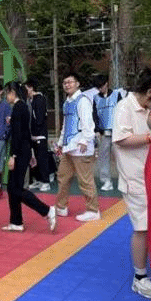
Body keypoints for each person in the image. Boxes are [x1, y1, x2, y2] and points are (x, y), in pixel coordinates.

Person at [111, 67, 151, 299]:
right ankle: (139, 278)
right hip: (135, 178)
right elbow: (121, 139)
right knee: (142, 228)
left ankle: (150, 270)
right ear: (149, 92)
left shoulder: (148, 109)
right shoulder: (125, 107)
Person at [1, 81, 56, 233]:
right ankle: (16, 221)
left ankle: (47, 210)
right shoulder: (21, 107)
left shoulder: (19, 108)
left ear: (12, 92)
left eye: (7, 93)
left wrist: (13, 155)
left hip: (19, 152)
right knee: (12, 188)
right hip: (24, 151)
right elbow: (25, 132)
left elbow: (18, 135)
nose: (6, 96)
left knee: (16, 188)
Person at [55, 72, 100, 221]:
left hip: (81, 147)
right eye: (65, 83)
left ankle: (93, 210)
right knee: (63, 176)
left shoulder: (83, 101)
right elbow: (65, 126)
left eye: (70, 82)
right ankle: (61, 207)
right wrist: (60, 143)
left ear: (77, 84)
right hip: (68, 147)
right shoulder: (67, 102)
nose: (67, 85)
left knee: (85, 180)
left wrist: (85, 141)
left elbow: (88, 123)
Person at [92, 74, 124, 191]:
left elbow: (122, 112)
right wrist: (96, 130)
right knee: (103, 157)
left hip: (117, 131)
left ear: (106, 83)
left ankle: (125, 180)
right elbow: (94, 115)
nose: (100, 89)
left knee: (121, 156)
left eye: (101, 86)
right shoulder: (96, 98)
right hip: (103, 133)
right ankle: (106, 181)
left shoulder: (117, 95)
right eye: (98, 88)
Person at [24, 77, 50, 192]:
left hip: (40, 135)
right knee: (35, 160)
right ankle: (38, 180)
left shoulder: (39, 99)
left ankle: (46, 182)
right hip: (32, 135)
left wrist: (36, 130)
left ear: (31, 88)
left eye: (26, 88)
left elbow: (39, 118)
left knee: (42, 158)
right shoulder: (29, 100)